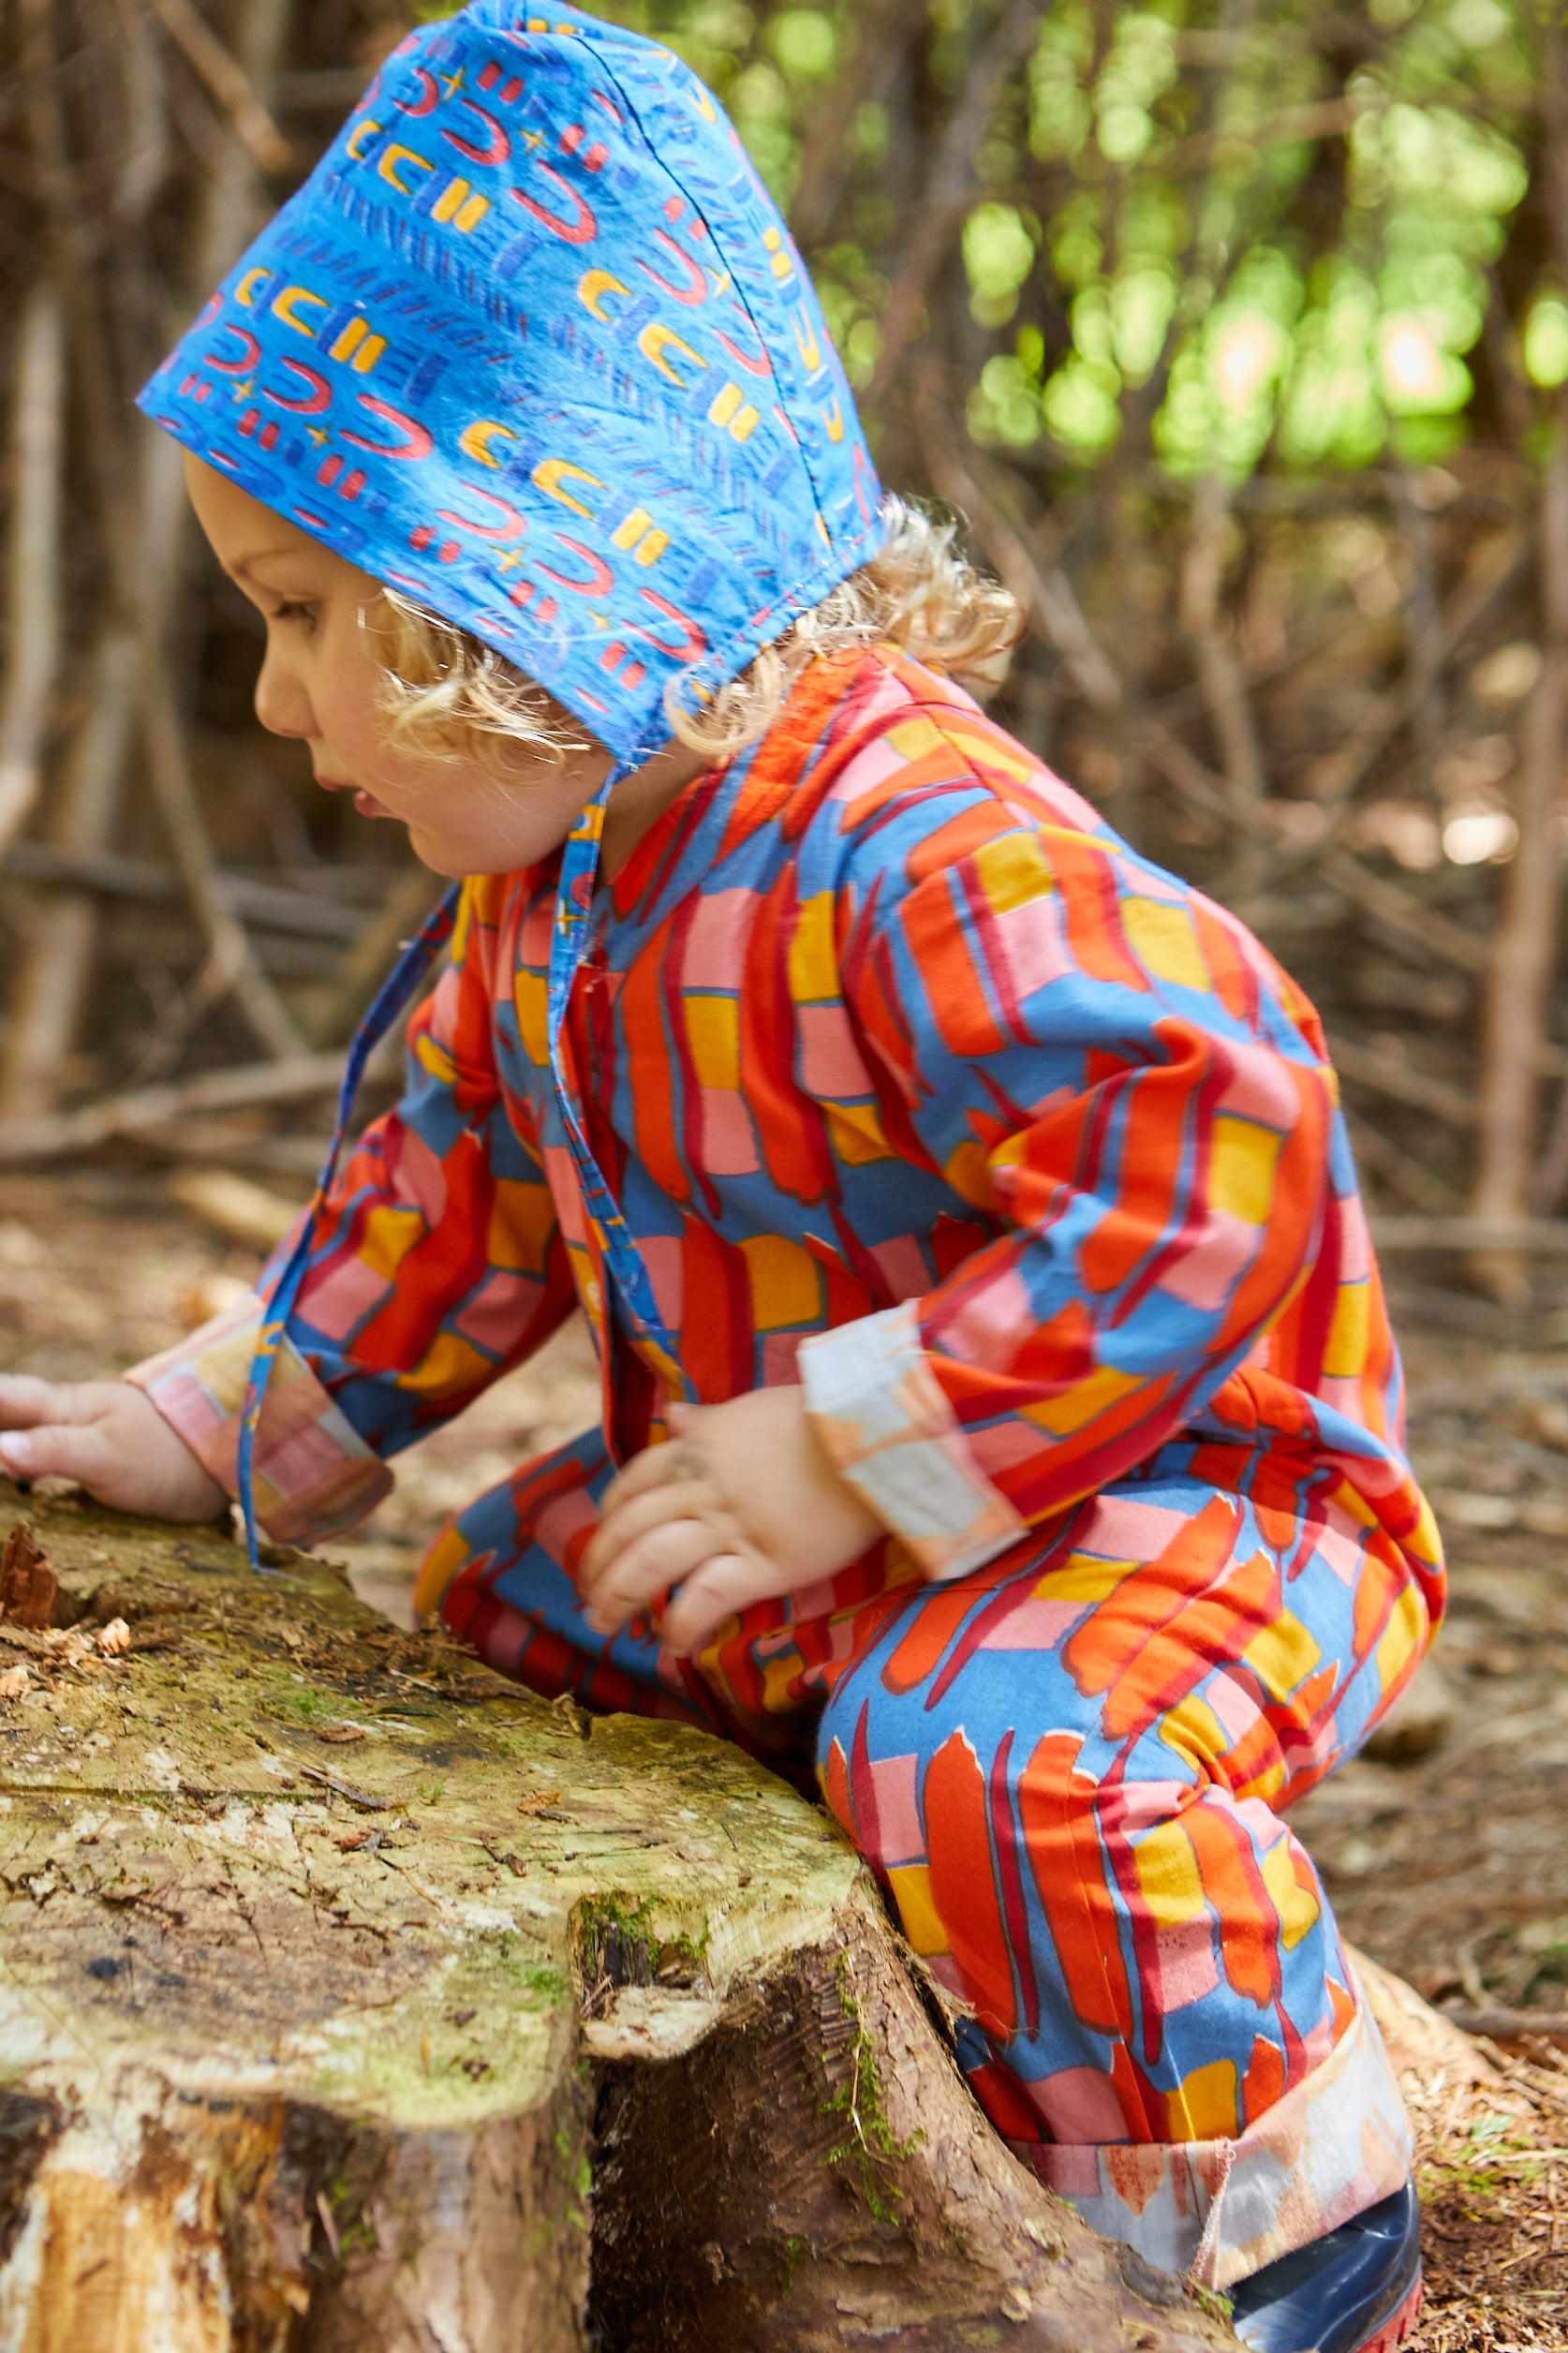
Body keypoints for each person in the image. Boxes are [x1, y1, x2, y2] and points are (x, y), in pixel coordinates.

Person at [0, 7, 1438, 2344]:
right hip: (835, 1517)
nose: (275, 703)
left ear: (510, 576)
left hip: (1177, 1499)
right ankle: (895, 2037)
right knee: (514, 1610)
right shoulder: (552, 892)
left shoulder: (916, 850)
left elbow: (1219, 1139)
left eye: (299, 613)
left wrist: (845, 1437)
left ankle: (1279, 2228)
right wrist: (228, 1420)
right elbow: (442, 1191)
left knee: (993, 1754)